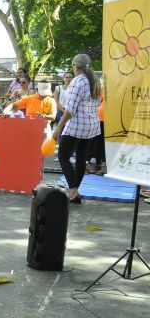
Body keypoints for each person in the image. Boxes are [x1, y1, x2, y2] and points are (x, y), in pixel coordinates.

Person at [52, 53, 101, 205]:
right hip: (92, 126)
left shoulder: (77, 82)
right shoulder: (95, 81)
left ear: (75, 66)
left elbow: (70, 109)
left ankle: (73, 192)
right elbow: (97, 104)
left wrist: (58, 128)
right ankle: (75, 191)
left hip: (77, 126)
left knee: (63, 157)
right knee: (81, 159)